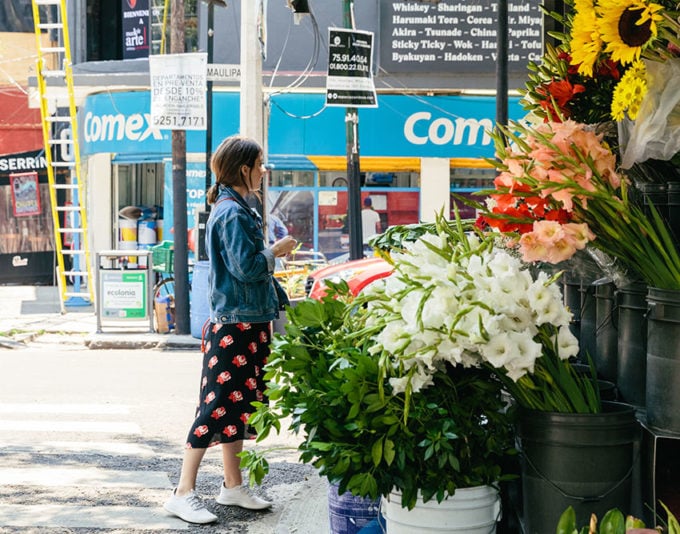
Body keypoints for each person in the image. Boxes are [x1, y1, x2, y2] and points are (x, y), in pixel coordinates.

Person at [163, 135, 297, 525]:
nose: (263, 170)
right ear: (244, 169)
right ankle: (182, 492)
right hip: (234, 327)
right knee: (215, 408)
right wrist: (276, 252)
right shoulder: (233, 213)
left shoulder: (241, 207)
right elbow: (247, 268)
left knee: (238, 407)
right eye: (259, 164)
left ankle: (233, 486)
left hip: (248, 323)